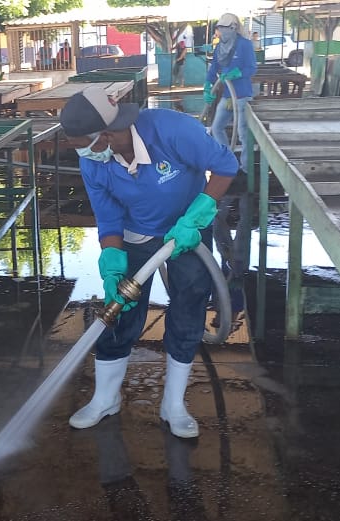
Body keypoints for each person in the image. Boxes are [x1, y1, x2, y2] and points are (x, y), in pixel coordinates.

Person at [60, 85, 239, 439]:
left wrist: (198, 214)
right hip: (135, 234)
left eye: (84, 143)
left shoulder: (172, 130)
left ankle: (173, 404)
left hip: (186, 230)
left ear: (108, 134)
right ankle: (105, 399)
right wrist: (111, 258)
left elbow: (225, 165)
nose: (82, 152)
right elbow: (108, 217)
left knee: (189, 302)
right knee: (120, 308)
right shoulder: (93, 162)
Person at [206, 13, 257, 160]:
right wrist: (207, 86)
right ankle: (228, 159)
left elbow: (252, 68)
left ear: (233, 28)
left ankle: (246, 168)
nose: (221, 32)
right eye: (220, 28)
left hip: (242, 96)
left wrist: (238, 73)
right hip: (227, 96)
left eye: (224, 28)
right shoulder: (220, 48)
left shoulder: (245, 45)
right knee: (216, 128)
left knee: (242, 132)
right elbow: (213, 69)